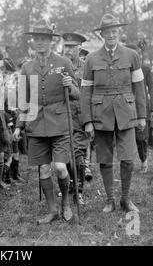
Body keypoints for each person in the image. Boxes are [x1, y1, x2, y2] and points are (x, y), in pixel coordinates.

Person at [13, 20, 80, 224]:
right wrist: (18, 126)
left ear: (51, 41)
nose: (40, 43)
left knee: (60, 167)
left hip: (60, 123)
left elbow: (77, 94)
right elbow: (24, 100)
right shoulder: (27, 67)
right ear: (33, 42)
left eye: (44, 39)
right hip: (35, 125)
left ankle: (66, 203)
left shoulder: (63, 63)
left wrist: (69, 86)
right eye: (37, 39)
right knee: (43, 169)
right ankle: (52, 210)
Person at [80, 14, 147, 213]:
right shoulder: (91, 59)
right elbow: (86, 92)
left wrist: (141, 115)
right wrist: (88, 121)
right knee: (105, 159)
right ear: (102, 35)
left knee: (127, 159)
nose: (111, 35)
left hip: (126, 113)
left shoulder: (132, 55)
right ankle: (110, 199)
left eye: (114, 32)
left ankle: (125, 199)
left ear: (119, 33)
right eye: (107, 32)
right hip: (101, 115)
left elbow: (139, 87)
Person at [62, 32, 93, 205]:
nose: (68, 50)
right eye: (66, 46)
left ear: (79, 48)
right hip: (63, 115)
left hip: (81, 115)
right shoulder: (59, 66)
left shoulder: (86, 68)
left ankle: (78, 191)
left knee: (79, 154)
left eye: (72, 47)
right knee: (66, 154)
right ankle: (69, 186)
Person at [125, 43, 153, 173]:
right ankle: (128, 163)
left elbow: (152, 90)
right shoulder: (122, 69)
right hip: (126, 108)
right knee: (127, 137)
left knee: (141, 138)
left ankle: (144, 160)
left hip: (141, 108)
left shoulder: (145, 69)